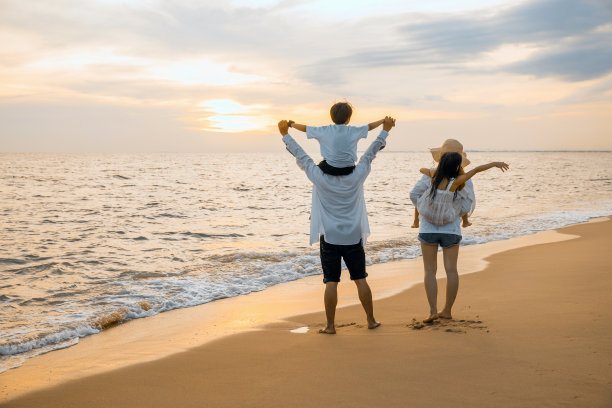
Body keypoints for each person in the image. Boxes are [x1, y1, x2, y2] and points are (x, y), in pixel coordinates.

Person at [279, 116, 396, 334]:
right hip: (353, 235)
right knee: (360, 279)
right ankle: (371, 320)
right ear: (349, 119)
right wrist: (385, 130)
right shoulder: (357, 174)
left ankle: (330, 326)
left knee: (331, 282)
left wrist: (285, 133)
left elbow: (301, 156)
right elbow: (370, 153)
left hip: (330, 237)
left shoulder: (319, 176)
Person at [410, 151, 509, 323]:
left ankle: (433, 311)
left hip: (428, 229)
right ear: (457, 166)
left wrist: (428, 170)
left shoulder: (432, 176)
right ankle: (447, 311)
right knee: (451, 270)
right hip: (450, 230)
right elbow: (477, 170)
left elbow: (419, 176)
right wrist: (495, 163)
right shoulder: (457, 182)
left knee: (429, 271)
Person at [287, 101, 387, 176]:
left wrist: (292, 124)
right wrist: (382, 121)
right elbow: (370, 126)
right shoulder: (353, 130)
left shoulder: (324, 130)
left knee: (317, 166)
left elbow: (305, 128)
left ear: (332, 117)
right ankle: (379, 146)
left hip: (329, 169)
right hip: (348, 169)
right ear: (348, 119)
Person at [412, 139, 473, 229]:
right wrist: (456, 213)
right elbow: (466, 204)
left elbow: (415, 195)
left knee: (423, 196)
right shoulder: (464, 178)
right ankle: (465, 221)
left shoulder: (432, 174)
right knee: (463, 197)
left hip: (428, 223)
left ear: (441, 156)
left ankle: (415, 221)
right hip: (452, 224)